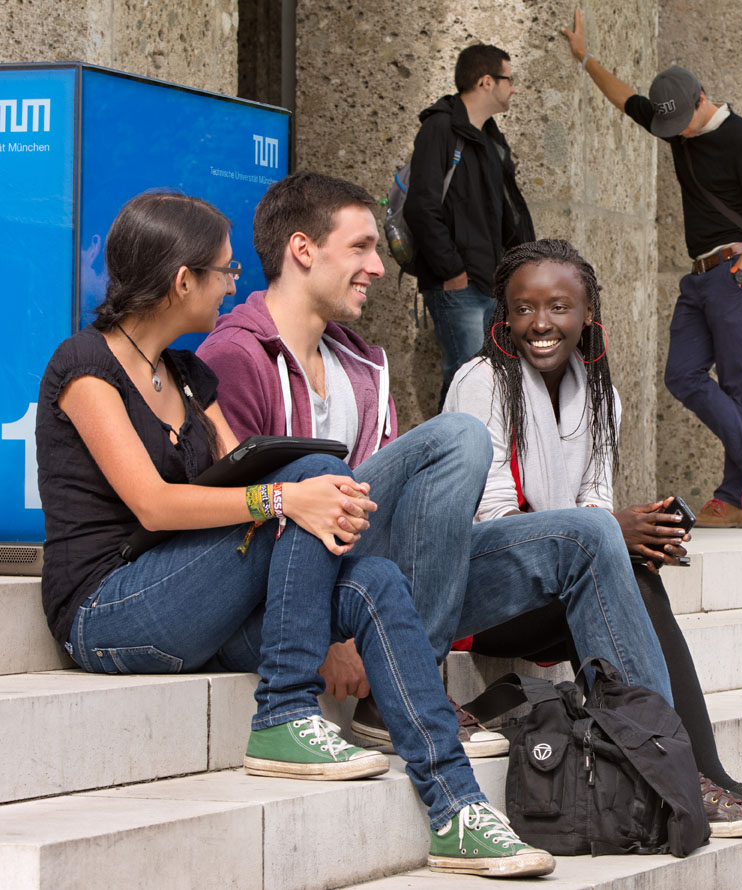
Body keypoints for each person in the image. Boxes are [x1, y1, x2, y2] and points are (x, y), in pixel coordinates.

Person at [36, 191, 555, 878]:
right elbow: (155, 506)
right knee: (311, 476)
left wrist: (302, 501)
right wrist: (289, 495)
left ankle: (457, 809)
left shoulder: (188, 377)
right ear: (182, 280)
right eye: (224, 271)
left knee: (373, 580)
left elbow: (237, 480)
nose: (234, 284)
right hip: (108, 610)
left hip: (195, 601)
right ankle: (282, 712)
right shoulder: (86, 365)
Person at [198, 172, 674, 749]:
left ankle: (662, 757)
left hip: (376, 582)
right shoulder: (237, 357)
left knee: (594, 539)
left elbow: (389, 522)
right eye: (361, 247)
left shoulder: (363, 366)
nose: (379, 266)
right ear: (302, 249)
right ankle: (410, 688)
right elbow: (234, 539)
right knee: (459, 437)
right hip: (283, 601)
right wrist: (329, 638)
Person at [444, 238, 742, 833]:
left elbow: (592, 505)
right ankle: (688, 774)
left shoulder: (600, 394)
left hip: (554, 588)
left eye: (559, 307)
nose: (540, 323)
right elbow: (490, 524)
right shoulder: (482, 381)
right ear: (504, 316)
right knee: (613, 562)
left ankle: (692, 772)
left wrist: (636, 538)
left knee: (635, 574)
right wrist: (607, 531)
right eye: (524, 308)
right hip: (481, 596)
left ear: (588, 315)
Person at [558, 10, 742, 529]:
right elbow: (626, 100)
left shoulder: (740, 138)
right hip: (700, 275)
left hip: (736, 268)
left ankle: (733, 495)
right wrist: (585, 58)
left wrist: (739, 274)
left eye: (682, 122)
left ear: (701, 99)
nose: (676, 134)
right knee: (681, 374)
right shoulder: (674, 123)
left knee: (739, 384)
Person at [403, 43, 536, 408]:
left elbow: (506, 212)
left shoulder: (490, 138)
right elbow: (421, 207)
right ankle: (450, 447)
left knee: (486, 387)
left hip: (490, 284)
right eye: (509, 79)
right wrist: (452, 271)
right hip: (457, 285)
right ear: (486, 81)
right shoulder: (440, 128)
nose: (514, 88)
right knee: (464, 383)